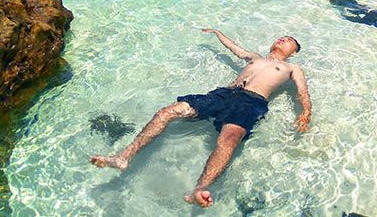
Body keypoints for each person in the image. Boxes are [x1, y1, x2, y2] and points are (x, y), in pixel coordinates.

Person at [90, 28, 312, 208]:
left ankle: (200, 188)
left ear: (294, 51)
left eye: (290, 40)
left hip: (251, 102)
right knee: (167, 112)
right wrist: (217, 33)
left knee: (228, 141)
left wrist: (305, 113)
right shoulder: (255, 57)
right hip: (223, 94)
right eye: (282, 36)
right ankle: (123, 157)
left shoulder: (291, 67)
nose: (284, 38)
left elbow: (302, 91)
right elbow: (235, 48)